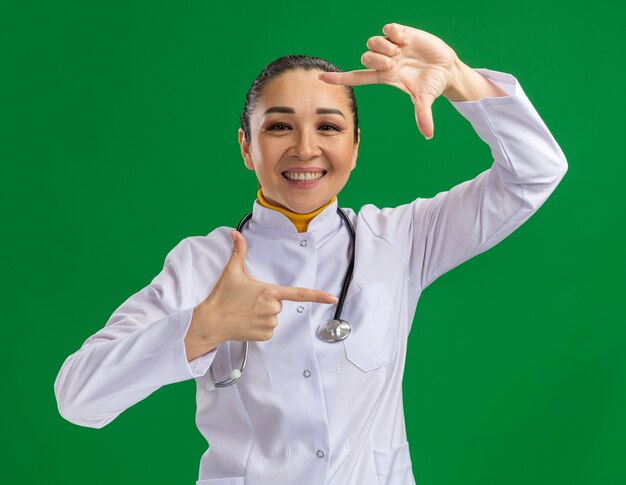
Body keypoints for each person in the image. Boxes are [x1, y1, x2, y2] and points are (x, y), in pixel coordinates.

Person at [54, 22, 567, 485]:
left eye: (328, 126)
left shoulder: (400, 239)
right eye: (278, 126)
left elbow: (535, 173)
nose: (304, 148)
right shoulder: (203, 263)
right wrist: (202, 327)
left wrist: (459, 78)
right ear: (246, 147)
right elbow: (77, 396)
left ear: (356, 145)